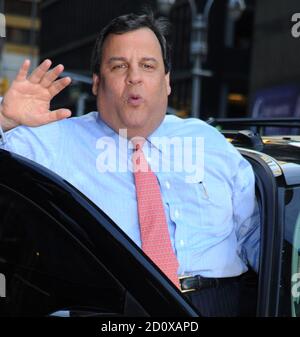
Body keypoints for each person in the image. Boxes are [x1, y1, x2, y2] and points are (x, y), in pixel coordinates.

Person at [0, 13, 260, 316]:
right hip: (110, 309)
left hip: (218, 304)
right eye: (119, 65)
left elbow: (255, 237)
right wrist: (4, 120)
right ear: (97, 82)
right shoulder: (54, 141)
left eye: (148, 66)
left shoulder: (209, 142)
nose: (134, 76)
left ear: (166, 82)